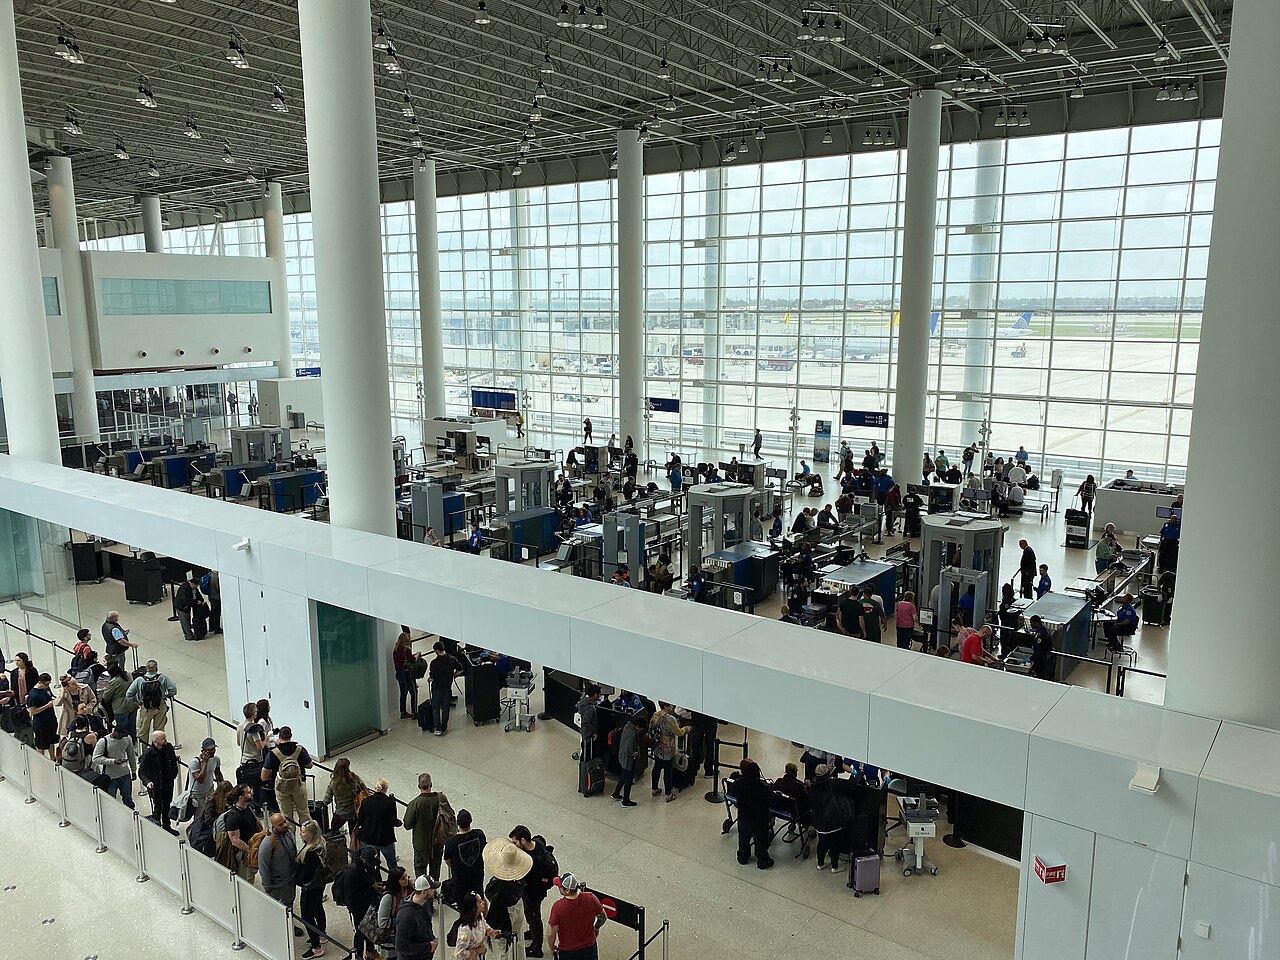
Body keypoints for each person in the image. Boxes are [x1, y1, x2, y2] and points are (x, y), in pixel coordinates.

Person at [483, 838, 533, 960]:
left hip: (504, 913)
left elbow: (489, 893)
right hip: (518, 906)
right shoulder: (520, 878)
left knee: (502, 945)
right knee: (518, 938)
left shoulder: (498, 884)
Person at [510, 825, 556, 957]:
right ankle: (532, 932)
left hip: (533, 894)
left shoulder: (532, 861)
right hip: (535, 891)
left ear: (523, 840)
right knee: (533, 917)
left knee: (534, 917)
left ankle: (537, 948)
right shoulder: (538, 843)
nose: (514, 845)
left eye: (515, 842)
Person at [334, 847, 382, 960]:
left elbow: (371, 878)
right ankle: (358, 956)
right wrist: (371, 888)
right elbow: (350, 897)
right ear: (363, 859)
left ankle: (370, 951)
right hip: (356, 909)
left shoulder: (366, 866)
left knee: (370, 928)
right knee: (359, 934)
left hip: (368, 904)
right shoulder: (352, 872)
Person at [403, 772, 453, 880]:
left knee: (420, 869)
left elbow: (407, 825)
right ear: (431, 784)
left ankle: (423, 892)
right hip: (438, 841)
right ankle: (433, 891)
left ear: (418, 786)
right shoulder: (441, 798)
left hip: (421, 844)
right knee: (435, 868)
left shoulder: (414, 804)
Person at [546, 872, 606, 960]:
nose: (558, 887)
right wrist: (596, 927)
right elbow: (603, 917)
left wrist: (551, 947)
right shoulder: (591, 898)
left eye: (560, 886)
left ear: (567, 890)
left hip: (568, 952)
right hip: (590, 949)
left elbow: (550, 933)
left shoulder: (558, 907)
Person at [808, 763, 856, 873]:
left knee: (822, 842)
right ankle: (835, 867)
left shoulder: (812, 786)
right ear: (827, 774)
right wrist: (856, 774)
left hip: (819, 821)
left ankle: (820, 864)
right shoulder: (833, 783)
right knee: (835, 843)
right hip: (833, 820)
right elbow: (851, 785)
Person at [262, 726, 313, 828]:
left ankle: (291, 839)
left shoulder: (273, 753)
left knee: (287, 816)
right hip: (298, 785)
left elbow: (264, 776)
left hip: (282, 788)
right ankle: (309, 836)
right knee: (304, 813)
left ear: (279, 736)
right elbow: (310, 765)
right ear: (291, 736)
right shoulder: (299, 749)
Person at [295, 819, 331, 959]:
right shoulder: (321, 845)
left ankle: (316, 947)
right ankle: (321, 934)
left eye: (303, 832)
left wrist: (295, 880)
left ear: (310, 834)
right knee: (318, 908)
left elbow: (305, 875)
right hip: (319, 885)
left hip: (309, 888)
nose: (300, 834)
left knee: (307, 917)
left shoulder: (310, 852)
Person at [732, 759, 775, 870]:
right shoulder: (763, 788)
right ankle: (762, 861)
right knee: (760, 841)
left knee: (743, 838)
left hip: (743, 818)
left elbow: (731, 791)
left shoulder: (739, 784)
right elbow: (774, 800)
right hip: (758, 820)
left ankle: (743, 857)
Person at [127, 659, 177, 745]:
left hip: (145, 708)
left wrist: (137, 702)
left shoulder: (139, 680)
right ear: (156, 668)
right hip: (160, 706)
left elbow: (129, 695)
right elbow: (173, 689)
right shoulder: (162, 678)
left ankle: (143, 750)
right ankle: (158, 748)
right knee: (159, 730)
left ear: (146, 669)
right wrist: (167, 695)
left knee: (143, 731)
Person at [215, 784, 260, 879]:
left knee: (251, 875)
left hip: (252, 848)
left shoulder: (248, 808)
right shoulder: (233, 817)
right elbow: (235, 840)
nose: (251, 794)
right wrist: (250, 850)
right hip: (243, 854)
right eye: (248, 793)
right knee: (245, 879)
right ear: (241, 798)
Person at [649, 703, 691, 802]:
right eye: (670, 705)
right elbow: (679, 732)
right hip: (668, 749)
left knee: (657, 768)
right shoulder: (670, 719)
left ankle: (654, 789)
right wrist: (686, 729)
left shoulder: (656, 715)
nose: (672, 706)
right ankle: (668, 794)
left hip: (657, 747)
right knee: (668, 772)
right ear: (665, 706)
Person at [443, 808, 488, 901]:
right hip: (477, 875)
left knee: (463, 904)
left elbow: (448, 861)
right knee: (479, 899)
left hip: (460, 880)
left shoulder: (451, 843)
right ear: (471, 820)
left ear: (457, 822)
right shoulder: (479, 835)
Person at [140, 729, 180, 833]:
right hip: (155, 786)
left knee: (167, 805)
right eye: (163, 739)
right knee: (158, 807)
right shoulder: (148, 754)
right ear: (155, 741)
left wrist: (173, 775)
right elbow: (142, 771)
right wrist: (147, 782)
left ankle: (167, 826)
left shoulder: (169, 748)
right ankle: (157, 828)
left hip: (168, 783)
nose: (165, 740)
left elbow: (173, 762)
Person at [92, 720, 139, 807]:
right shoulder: (103, 741)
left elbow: (131, 755)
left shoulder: (127, 738)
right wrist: (112, 761)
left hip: (125, 774)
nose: (122, 737)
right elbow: (96, 758)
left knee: (128, 799)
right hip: (110, 776)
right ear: (115, 732)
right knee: (111, 800)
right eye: (121, 735)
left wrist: (133, 770)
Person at [258, 812, 299, 911]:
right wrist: (267, 885)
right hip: (276, 884)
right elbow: (263, 865)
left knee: (289, 904)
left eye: (284, 822)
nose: (284, 825)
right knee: (274, 909)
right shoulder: (268, 843)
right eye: (280, 824)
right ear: (273, 826)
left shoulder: (288, 833)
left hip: (290, 880)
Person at [357, 778, 401, 870]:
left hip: (368, 838)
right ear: (386, 789)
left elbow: (360, 819)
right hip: (385, 839)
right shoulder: (390, 802)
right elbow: (393, 821)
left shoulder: (366, 801)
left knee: (370, 863)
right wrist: (399, 823)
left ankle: (375, 880)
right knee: (392, 863)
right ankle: (393, 882)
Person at [323, 757, 368, 836]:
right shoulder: (354, 778)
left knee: (333, 830)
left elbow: (327, 800)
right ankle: (354, 847)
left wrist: (324, 803)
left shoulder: (333, 783)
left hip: (340, 813)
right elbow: (364, 788)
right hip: (353, 811)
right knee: (354, 834)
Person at [236, 702, 269, 808]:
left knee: (247, 786)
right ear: (254, 713)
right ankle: (257, 806)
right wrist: (266, 739)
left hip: (244, 761)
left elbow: (238, 743)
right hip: (255, 760)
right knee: (258, 786)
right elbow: (260, 746)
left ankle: (248, 806)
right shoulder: (253, 729)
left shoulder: (239, 726)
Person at [428, 641, 463, 736]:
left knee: (435, 708)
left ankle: (437, 728)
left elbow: (433, 677)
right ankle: (444, 727)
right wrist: (453, 675)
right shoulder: (452, 659)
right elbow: (460, 669)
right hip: (447, 687)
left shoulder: (434, 663)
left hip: (437, 688)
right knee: (445, 708)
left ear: (436, 651)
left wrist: (429, 679)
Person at [609, 715, 646, 806]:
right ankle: (626, 801)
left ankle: (616, 793)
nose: (641, 731)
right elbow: (628, 750)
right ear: (637, 726)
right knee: (628, 781)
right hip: (628, 760)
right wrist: (636, 754)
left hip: (622, 757)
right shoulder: (632, 735)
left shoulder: (627, 727)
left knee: (623, 776)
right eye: (641, 729)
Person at [187, 736, 224, 821]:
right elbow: (200, 779)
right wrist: (205, 763)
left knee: (210, 814)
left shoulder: (216, 759)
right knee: (199, 818)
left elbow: (218, 773)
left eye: (214, 749)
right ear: (203, 750)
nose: (213, 751)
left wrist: (221, 786)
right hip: (197, 795)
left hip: (210, 792)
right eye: (210, 750)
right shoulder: (194, 763)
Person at [455, 890, 500, 960]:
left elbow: (484, 925)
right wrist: (477, 951)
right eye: (480, 902)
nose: (483, 903)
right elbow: (459, 953)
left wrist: (491, 931)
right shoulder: (465, 930)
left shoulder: (479, 916)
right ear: (473, 907)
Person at [99, 661, 139, 740]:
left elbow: (106, 696)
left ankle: (124, 746)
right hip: (133, 705)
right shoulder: (128, 675)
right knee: (132, 727)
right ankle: (133, 743)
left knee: (122, 729)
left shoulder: (114, 682)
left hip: (121, 708)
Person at [25, 672, 58, 760]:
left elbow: (50, 697)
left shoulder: (46, 689)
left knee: (52, 741)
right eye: (46, 684)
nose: (47, 686)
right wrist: (47, 705)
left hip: (50, 719)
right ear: (40, 682)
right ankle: (41, 761)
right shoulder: (33, 695)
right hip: (41, 723)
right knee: (41, 744)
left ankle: (53, 758)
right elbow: (32, 712)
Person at [54, 671, 97, 737]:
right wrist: (62, 692)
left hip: (85, 715)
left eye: (76, 681)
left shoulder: (85, 687)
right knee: (70, 736)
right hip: (70, 718)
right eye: (73, 684)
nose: (77, 684)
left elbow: (93, 700)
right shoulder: (63, 692)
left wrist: (85, 709)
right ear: (67, 686)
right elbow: (57, 703)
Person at [394, 627, 422, 720]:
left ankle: (403, 712)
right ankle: (414, 712)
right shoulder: (406, 649)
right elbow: (413, 660)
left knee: (403, 693)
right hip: (407, 674)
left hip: (398, 673)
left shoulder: (396, 649)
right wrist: (417, 654)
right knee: (413, 692)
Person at [175, 574, 205, 642]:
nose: (197, 587)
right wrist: (196, 602)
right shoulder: (184, 588)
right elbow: (186, 600)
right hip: (182, 607)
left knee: (187, 619)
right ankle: (189, 635)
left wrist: (201, 600)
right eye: (196, 585)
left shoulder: (193, 588)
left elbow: (197, 594)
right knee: (185, 621)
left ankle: (189, 631)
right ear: (193, 584)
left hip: (187, 606)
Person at [1027, 615, 1055, 681]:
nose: (1031, 625)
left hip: (1042, 658)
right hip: (1043, 656)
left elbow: (1040, 650)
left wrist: (1032, 658)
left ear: (1037, 623)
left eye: (1032, 623)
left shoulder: (1041, 634)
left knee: (1041, 675)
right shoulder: (1043, 629)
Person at [205, 571, 222, 635]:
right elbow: (218, 589)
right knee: (217, 613)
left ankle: (211, 627)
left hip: (211, 596)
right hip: (216, 598)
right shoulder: (215, 577)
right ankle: (217, 629)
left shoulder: (209, 573)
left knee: (212, 612)